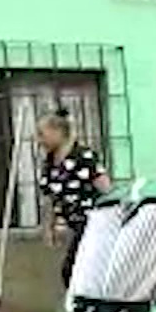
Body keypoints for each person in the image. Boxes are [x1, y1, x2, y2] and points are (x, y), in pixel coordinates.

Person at [35, 109, 110, 287]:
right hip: (74, 224)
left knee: (72, 270)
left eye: (42, 134)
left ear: (57, 132)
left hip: (93, 224)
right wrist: (48, 228)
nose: (39, 141)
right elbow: (49, 198)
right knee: (75, 271)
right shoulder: (50, 163)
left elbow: (106, 188)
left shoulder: (83, 156)